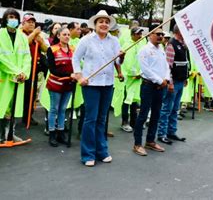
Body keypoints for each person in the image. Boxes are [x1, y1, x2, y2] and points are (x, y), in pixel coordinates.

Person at [72, 10, 124, 167]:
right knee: (91, 119)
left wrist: (122, 57)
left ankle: (102, 151)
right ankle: (88, 154)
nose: (104, 24)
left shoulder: (114, 40)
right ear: (95, 24)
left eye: (107, 22)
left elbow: (118, 62)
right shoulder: (86, 40)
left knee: (102, 119)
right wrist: (79, 77)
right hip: (91, 84)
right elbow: (75, 58)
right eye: (101, 21)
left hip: (107, 84)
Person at [0, 8, 31, 144]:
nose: (13, 20)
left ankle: (9, 133)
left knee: (13, 106)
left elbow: (27, 57)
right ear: (5, 19)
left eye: (15, 17)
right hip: (2, 76)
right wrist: (16, 71)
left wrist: (24, 73)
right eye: (10, 17)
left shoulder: (22, 37)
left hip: (19, 78)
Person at [133, 25, 169, 156]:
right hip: (148, 86)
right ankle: (137, 144)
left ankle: (150, 141)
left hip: (160, 87)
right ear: (150, 35)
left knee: (156, 114)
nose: (160, 36)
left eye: (162, 35)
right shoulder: (144, 50)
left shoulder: (162, 49)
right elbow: (146, 69)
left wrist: (166, 79)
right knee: (143, 114)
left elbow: (166, 67)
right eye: (157, 34)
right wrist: (160, 80)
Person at [157, 25, 188, 144]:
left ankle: (171, 131)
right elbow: (168, 66)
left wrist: (185, 77)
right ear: (179, 31)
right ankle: (162, 133)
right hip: (173, 82)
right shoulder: (171, 45)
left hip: (180, 81)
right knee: (167, 108)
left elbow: (184, 62)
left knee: (175, 108)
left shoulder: (182, 44)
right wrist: (170, 82)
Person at [45, 27, 74, 147]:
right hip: (56, 83)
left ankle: (61, 132)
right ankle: (52, 133)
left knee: (63, 109)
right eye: (64, 34)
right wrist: (69, 74)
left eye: (68, 34)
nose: (67, 36)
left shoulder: (73, 49)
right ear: (58, 36)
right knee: (54, 109)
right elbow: (52, 69)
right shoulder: (51, 49)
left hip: (69, 84)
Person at [21, 13, 48, 127]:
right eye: (29, 22)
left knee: (31, 93)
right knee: (23, 93)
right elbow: (23, 44)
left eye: (33, 22)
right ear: (23, 23)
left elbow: (46, 49)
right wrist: (34, 33)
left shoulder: (37, 35)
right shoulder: (20, 33)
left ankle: (28, 115)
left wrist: (40, 40)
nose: (31, 24)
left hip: (34, 67)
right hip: (22, 67)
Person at [120, 27, 144, 133]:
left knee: (135, 100)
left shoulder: (140, 45)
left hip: (138, 78)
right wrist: (135, 73)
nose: (140, 36)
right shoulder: (127, 45)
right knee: (126, 100)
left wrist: (141, 73)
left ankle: (134, 122)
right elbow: (128, 63)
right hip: (129, 78)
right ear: (133, 34)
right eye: (138, 34)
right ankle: (124, 122)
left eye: (141, 34)